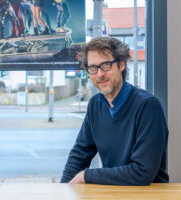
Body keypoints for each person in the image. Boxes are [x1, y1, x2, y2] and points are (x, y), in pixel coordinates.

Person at [61, 37, 169, 185]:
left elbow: (142, 172)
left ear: (121, 64)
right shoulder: (95, 105)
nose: (99, 74)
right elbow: (79, 156)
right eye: (93, 68)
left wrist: (87, 176)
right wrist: (63, 189)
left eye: (106, 65)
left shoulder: (148, 106)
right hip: (114, 192)